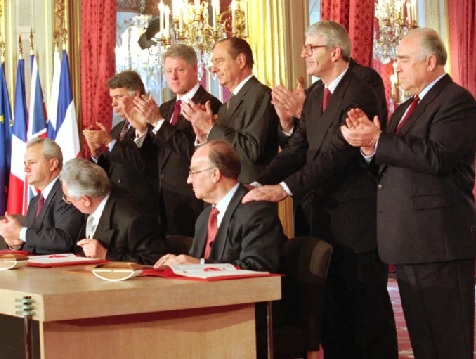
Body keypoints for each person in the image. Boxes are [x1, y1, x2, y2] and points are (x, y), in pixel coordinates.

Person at [243, 21, 398, 359]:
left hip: (355, 219)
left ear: (335, 51)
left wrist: (284, 189)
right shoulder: (316, 93)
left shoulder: (358, 92)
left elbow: (336, 157)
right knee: (333, 311)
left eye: (310, 48)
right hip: (323, 216)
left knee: (366, 311)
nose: (304, 54)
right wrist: (258, 182)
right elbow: (299, 148)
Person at [341, 28, 476, 359]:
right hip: (407, 240)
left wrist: (379, 139)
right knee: (424, 342)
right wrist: (369, 145)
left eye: (402, 60)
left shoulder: (456, 101)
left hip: (439, 242)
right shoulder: (403, 109)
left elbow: (437, 156)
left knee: (449, 343)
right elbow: (393, 163)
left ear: (430, 61)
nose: (394, 67)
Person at [129, 44, 221, 236]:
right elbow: (153, 155)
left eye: (180, 70)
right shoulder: (165, 108)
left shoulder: (209, 104)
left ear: (196, 70)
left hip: (193, 200)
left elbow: (195, 152)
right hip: (163, 202)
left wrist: (158, 122)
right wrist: (140, 129)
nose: (173, 77)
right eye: (169, 71)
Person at [155, 140, 284, 272]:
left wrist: (199, 264)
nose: (189, 180)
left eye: (194, 173)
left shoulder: (256, 213)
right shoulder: (204, 217)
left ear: (215, 175)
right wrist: (177, 266)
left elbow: (258, 267)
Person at [180, 37, 280, 183]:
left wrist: (210, 128)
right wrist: (203, 135)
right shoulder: (228, 103)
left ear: (241, 61)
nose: (214, 69)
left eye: (219, 61)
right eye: (213, 63)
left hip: (249, 194)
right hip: (226, 193)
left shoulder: (259, 94)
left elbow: (251, 151)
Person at [60, 158, 165, 265]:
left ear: (86, 200)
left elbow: (154, 261)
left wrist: (105, 254)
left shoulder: (133, 218)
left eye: (68, 198)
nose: (69, 203)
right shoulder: (98, 200)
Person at [83, 70, 158, 218]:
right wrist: (96, 153)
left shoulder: (153, 124)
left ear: (135, 95)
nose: (113, 103)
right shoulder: (118, 129)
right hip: (117, 206)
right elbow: (111, 169)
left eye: (118, 97)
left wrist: (109, 142)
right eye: (112, 98)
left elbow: (141, 163)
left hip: (141, 208)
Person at [0, 138, 84, 254]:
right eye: (25, 163)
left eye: (32, 162)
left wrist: (20, 232)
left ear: (52, 164)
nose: (26, 168)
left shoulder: (67, 193)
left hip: (58, 270)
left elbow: (64, 239)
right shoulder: (35, 201)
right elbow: (31, 242)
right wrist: (16, 244)